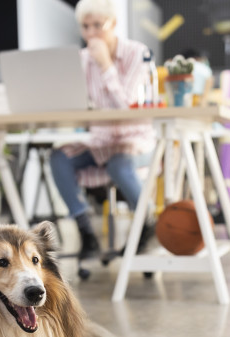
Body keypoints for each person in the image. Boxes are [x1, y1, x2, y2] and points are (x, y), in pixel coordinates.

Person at [49, 0, 156, 260]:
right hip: (100, 140)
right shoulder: (81, 59)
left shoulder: (136, 53)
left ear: (114, 24)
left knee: (119, 165)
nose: (91, 33)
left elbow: (126, 106)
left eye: (98, 25)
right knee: (59, 158)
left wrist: (106, 65)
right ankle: (86, 231)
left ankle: (146, 223)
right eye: (85, 27)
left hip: (135, 140)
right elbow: (76, 104)